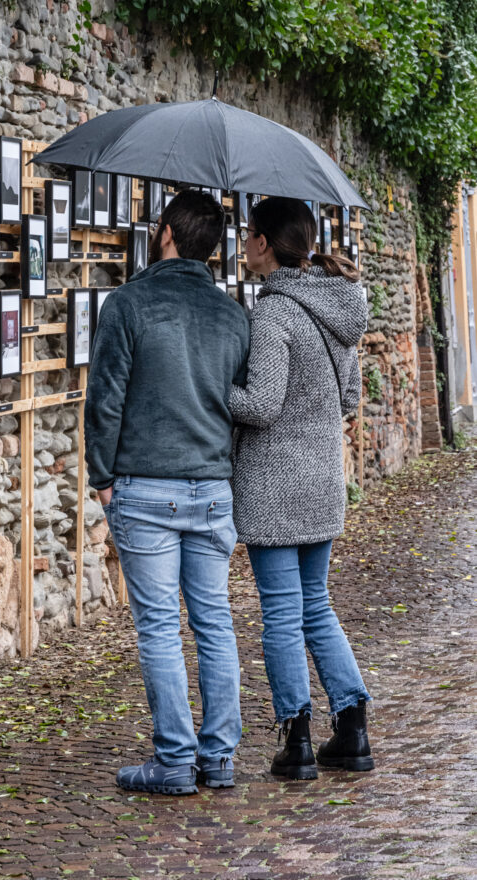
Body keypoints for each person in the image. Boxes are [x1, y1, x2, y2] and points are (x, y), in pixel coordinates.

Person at [85, 189, 251, 795]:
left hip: (146, 488)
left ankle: (174, 761)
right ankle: (220, 759)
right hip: (210, 487)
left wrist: (102, 480)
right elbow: (236, 403)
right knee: (215, 622)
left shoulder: (127, 304)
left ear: (165, 234)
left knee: (159, 627)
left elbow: (104, 401)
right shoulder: (233, 315)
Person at [230, 196, 374, 780]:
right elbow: (348, 400)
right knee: (316, 605)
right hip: (322, 479)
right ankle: (353, 726)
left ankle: (296, 742)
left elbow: (260, 407)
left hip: (273, 485)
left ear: (265, 243)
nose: (242, 245)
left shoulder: (274, 314)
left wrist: (215, 393)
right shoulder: (339, 306)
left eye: (247, 236)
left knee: (283, 614)